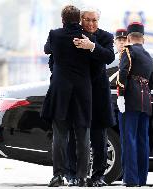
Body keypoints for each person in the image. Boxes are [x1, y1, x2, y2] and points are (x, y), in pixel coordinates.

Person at [41, 5, 95, 187]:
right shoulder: (87, 38)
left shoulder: (55, 35)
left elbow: (47, 49)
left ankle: (58, 176)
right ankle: (82, 177)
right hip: (82, 93)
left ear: (63, 19)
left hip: (61, 93)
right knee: (83, 137)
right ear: (79, 20)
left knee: (60, 137)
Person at [71, 7, 116, 187]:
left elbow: (109, 56)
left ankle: (98, 175)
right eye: (87, 20)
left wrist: (92, 47)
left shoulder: (106, 37)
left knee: (99, 138)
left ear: (99, 20)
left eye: (94, 20)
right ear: (81, 20)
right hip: (78, 92)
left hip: (98, 93)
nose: (90, 23)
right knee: (76, 137)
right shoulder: (73, 35)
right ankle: (75, 175)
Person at [116, 22, 153, 187]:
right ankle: (141, 178)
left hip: (130, 99)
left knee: (128, 138)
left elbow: (122, 74)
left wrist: (121, 96)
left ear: (129, 38)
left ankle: (131, 179)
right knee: (142, 140)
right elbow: (150, 81)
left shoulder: (128, 51)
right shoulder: (149, 56)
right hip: (145, 102)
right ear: (143, 39)